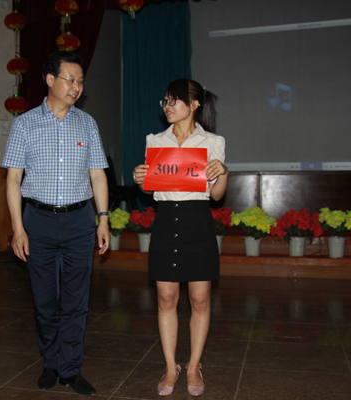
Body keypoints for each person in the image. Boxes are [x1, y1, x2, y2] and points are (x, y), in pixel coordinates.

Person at [2, 50, 110, 396]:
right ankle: (50, 363)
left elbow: (98, 175)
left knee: (77, 302)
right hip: (38, 222)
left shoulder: (87, 123)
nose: (76, 87)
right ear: (50, 80)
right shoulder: (25, 124)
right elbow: (12, 179)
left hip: (79, 221)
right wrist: (18, 228)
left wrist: (103, 219)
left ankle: (71, 368)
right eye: (70, 79)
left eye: (80, 81)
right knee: (45, 301)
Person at [132, 79, 228, 397]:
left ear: (194, 104)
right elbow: (151, 190)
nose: (167, 106)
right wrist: (141, 179)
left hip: (197, 221)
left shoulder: (212, 141)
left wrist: (222, 172)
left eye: (173, 100)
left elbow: (217, 195)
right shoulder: (156, 140)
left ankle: (194, 366)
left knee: (200, 299)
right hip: (166, 220)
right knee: (166, 298)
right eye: (165, 101)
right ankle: (171, 367)